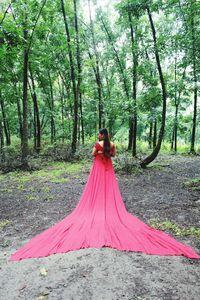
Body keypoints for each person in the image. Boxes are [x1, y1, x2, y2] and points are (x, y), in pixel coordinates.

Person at [9, 128, 200, 261]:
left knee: (96, 189)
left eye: (100, 133)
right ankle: (106, 205)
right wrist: (106, 152)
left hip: (99, 168)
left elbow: (93, 154)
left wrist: (98, 149)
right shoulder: (113, 143)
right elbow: (114, 155)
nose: (99, 135)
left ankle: (97, 205)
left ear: (102, 134)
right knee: (108, 189)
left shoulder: (98, 144)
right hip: (108, 168)